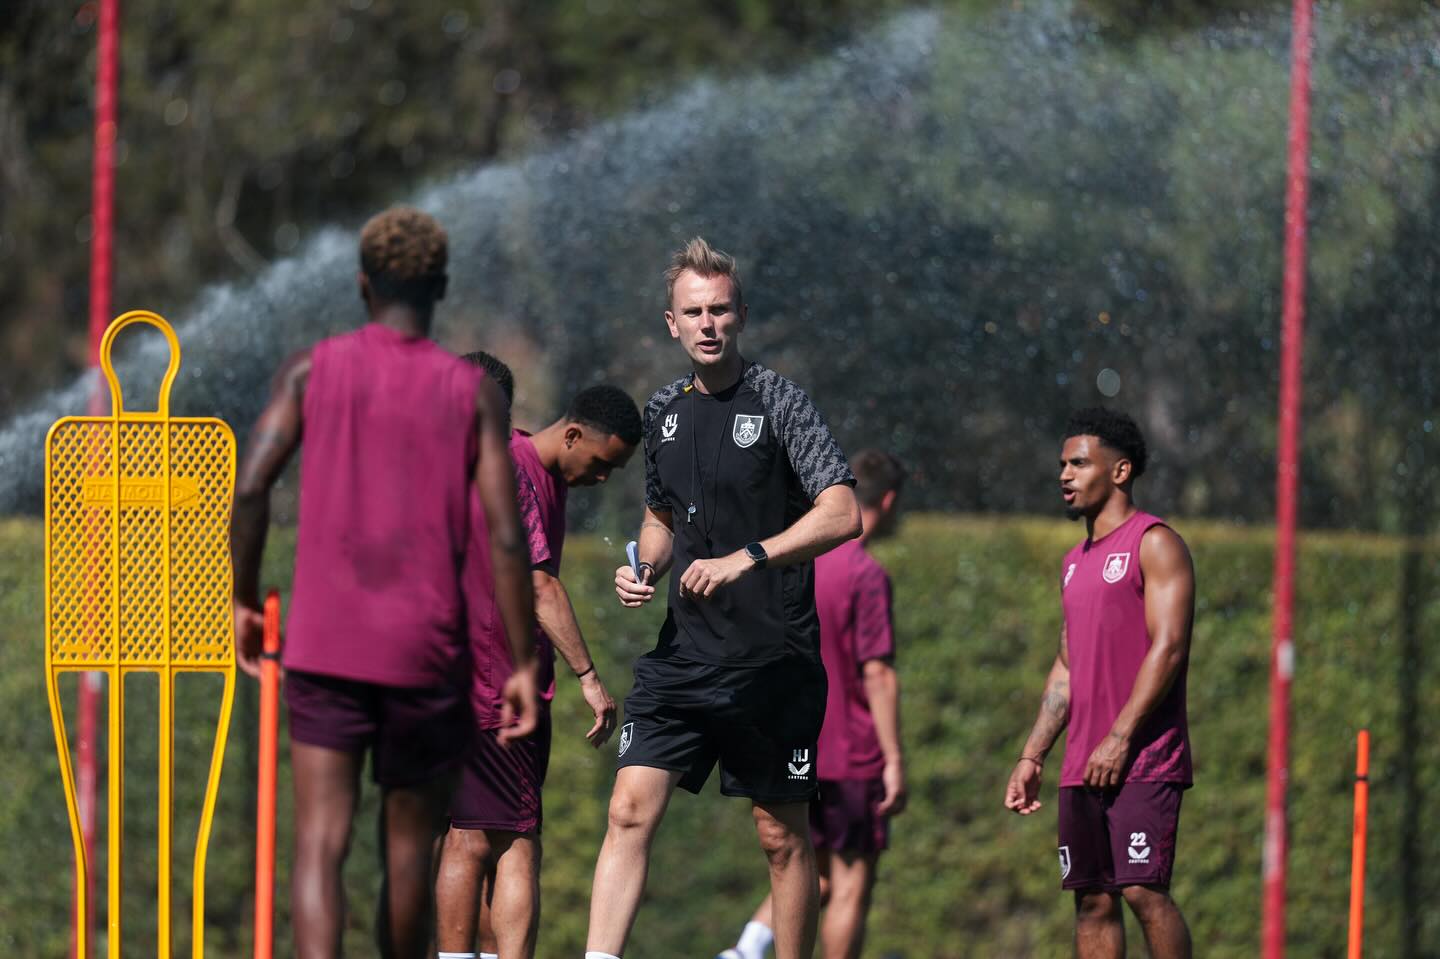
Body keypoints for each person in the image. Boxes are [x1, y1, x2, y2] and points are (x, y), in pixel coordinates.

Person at [229, 208, 539, 959]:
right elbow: (505, 534)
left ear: (363, 284)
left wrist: (241, 594)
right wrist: (524, 661)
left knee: (319, 845)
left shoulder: (311, 370)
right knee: (406, 854)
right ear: (439, 287)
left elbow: (249, 486)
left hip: (324, 647)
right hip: (425, 659)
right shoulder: (472, 393)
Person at [584, 237, 862, 959]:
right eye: (693, 312)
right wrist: (643, 567)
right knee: (627, 808)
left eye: (720, 310)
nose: (708, 323)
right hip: (684, 656)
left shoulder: (778, 401)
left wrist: (751, 556)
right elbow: (660, 517)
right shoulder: (663, 410)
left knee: (779, 836)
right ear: (670, 324)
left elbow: (843, 511)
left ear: (740, 316)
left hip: (772, 659)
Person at [436, 371, 643, 959]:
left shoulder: (519, 464)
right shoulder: (522, 471)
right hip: (502, 684)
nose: (601, 478)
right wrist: (590, 677)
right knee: (514, 840)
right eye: (602, 464)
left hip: (462, 679)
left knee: (465, 834)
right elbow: (539, 587)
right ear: (573, 434)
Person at [1004, 408, 1195, 959]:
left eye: (1079, 463)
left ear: (1120, 471)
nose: (1064, 475)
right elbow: (1066, 665)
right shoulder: (1073, 563)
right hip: (1080, 764)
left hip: (1143, 757)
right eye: (1062, 464)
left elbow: (1170, 647)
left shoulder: (1155, 542)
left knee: (1142, 890)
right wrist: (1033, 755)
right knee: (1092, 900)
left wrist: (1120, 736)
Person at [717, 448, 909, 959]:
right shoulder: (866, 575)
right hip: (851, 753)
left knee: (806, 862)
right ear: (887, 502)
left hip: (794, 743)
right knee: (850, 880)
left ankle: (744, 951)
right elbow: (878, 673)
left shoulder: (797, 564)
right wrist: (893, 760)